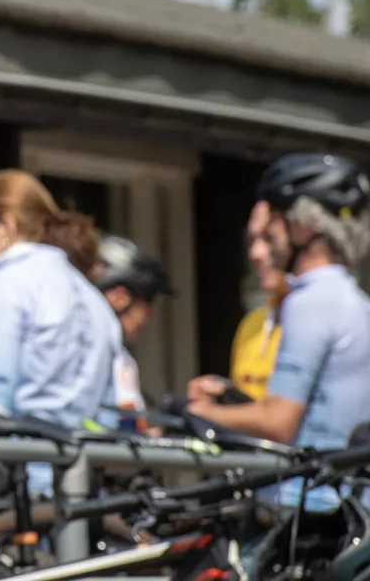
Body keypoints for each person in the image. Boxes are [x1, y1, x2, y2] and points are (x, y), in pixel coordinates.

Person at [186, 153, 370, 512]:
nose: (266, 241)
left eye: (274, 225)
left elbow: (278, 422)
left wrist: (197, 412)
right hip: (350, 506)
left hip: (305, 508)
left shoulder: (308, 302)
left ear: (303, 227)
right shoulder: (357, 302)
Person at [0, 170, 118, 498]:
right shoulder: (93, 298)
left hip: (18, 487)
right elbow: (107, 412)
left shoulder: (5, 286)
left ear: (7, 225)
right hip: (82, 482)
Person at [187, 201, 285, 404]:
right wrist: (222, 398)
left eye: (269, 238)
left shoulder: (332, 320)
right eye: (251, 241)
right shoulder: (251, 324)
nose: (255, 253)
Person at [92, 235, 175, 414]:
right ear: (120, 297)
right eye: (148, 301)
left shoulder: (119, 357)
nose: (149, 315)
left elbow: (129, 422)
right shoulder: (102, 357)